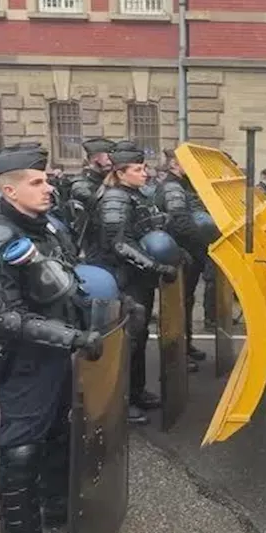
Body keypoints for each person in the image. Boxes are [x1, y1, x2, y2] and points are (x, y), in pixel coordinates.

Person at [0, 143, 106, 533]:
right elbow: (6, 316)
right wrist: (72, 336)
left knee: (61, 431)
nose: (47, 187)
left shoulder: (50, 229)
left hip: (62, 354)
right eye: (36, 182)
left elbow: (71, 282)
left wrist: (106, 311)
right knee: (20, 448)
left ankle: (54, 502)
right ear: (9, 191)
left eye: (47, 179)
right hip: (25, 362)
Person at [96, 141, 177, 424]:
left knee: (139, 338)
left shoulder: (133, 194)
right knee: (127, 341)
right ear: (120, 172)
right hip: (124, 279)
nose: (145, 173)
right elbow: (118, 244)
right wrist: (155, 265)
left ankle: (137, 391)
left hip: (138, 278)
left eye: (144, 168)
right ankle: (121, 401)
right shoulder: (115, 199)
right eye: (138, 169)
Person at [157, 149, 217, 369]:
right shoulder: (173, 187)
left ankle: (186, 346)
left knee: (187, 302)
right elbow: (181, 224)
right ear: (174, 165)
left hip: (189, 253)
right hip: (180, 253)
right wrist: (204, 244)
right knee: (177, 306)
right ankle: (176, 356)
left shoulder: (185, 185)